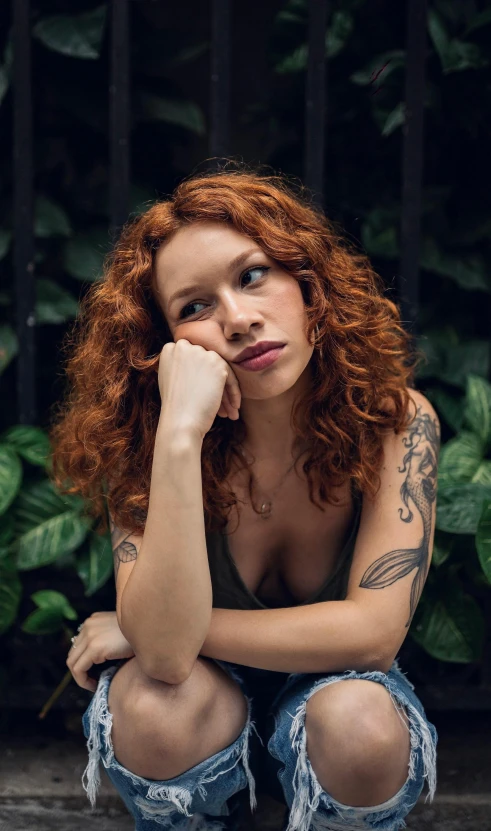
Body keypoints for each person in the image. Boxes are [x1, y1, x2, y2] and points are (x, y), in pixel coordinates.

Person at [53, 165, 440, 831]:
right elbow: (169, 661)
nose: (238, 319)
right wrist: (179, 436)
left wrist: (143, 629)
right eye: (194, 307)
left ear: (307, 283)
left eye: (253, 274)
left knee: (357, 717)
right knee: (152, 701)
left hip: (338, 698)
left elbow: (371, 636)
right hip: (197, 704)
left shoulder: (393, 422)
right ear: (164, 344)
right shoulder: (143, 438)